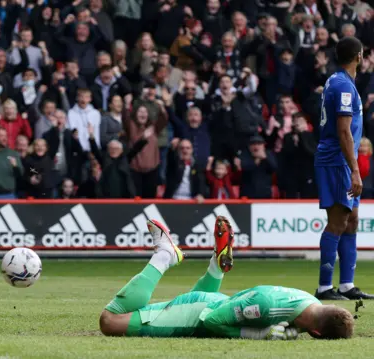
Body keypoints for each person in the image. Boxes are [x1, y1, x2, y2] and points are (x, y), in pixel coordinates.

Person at [99, 218, 355, 340]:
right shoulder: (269, 306)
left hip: (220, 303)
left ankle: (215, 268)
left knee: (180, 303)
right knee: (109, 321)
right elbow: (211, 321)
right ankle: (165, 255)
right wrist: (262, 334)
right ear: (317, 332)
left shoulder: (309, 302)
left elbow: (295, 322)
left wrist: (289, 331)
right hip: (201, 313)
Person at [314, 36, 374, 300]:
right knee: (337, 222)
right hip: (337, 161)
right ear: (359, 56)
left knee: (351, 221)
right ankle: (325, 287)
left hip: (341, 160)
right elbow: (344, 131)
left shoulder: (337, 81)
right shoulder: (344, 87)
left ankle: (347, 285)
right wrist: (355, 169)